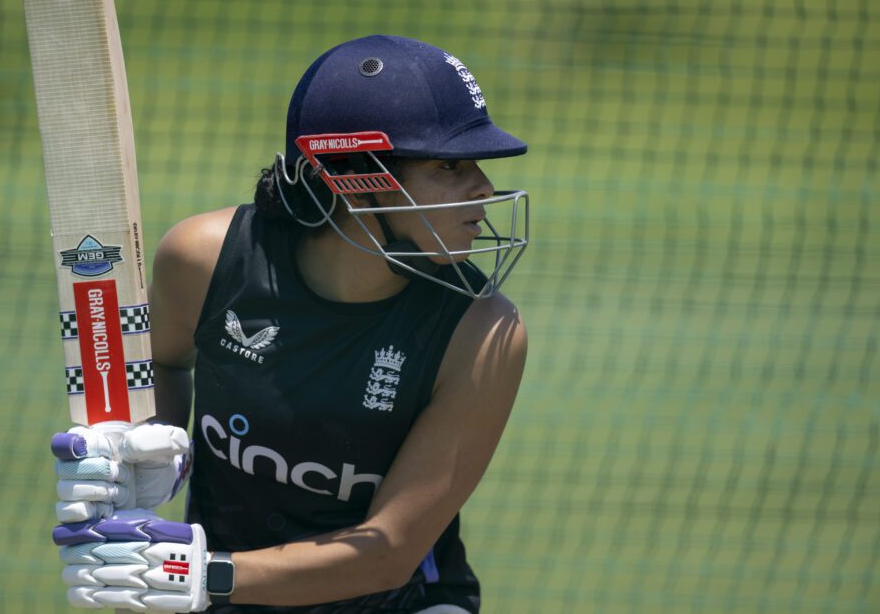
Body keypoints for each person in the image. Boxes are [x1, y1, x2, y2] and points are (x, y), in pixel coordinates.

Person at [52, 34, 530, 613]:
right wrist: (151, 449)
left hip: (402, 601)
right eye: (449, 164)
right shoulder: (203, 260)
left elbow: (390, 551)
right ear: (353, 174)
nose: (483, 186)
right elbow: (167, 360)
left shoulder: (482, 333)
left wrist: (199, 575)